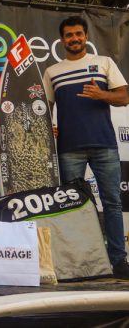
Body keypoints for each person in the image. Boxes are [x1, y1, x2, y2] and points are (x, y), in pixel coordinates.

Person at [43, 16, 129, 279]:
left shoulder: (104, 63)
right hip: (69, 148)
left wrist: (101, 94)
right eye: (69, 35)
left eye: (79, 34)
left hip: (105, 145)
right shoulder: (52, 72)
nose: (74, 39)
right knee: (74, 207)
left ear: (86, 37)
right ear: (62, 41)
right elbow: (43, 110)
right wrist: (48, 128)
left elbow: (124, 97)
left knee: (113, 204)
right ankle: (79, 262)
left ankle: (119, 262)